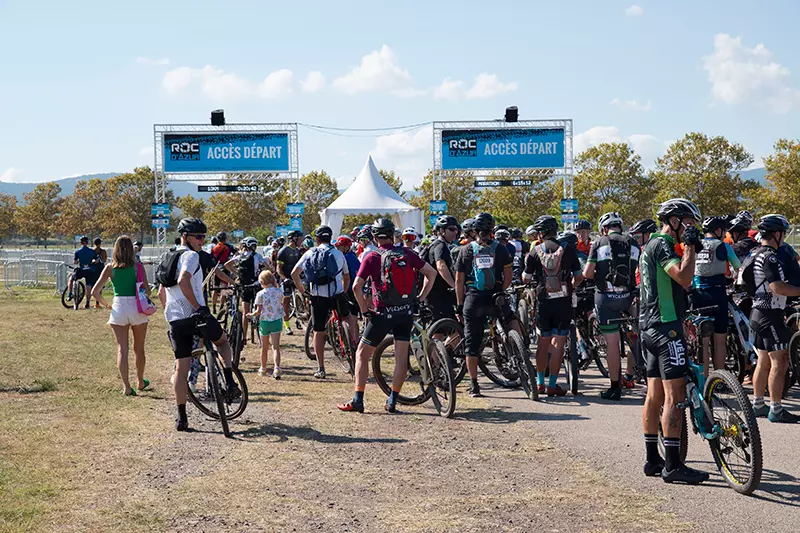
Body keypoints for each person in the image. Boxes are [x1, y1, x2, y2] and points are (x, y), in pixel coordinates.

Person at [639, 198, 709, 484]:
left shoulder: (651, 245)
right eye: (688, 223)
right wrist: (690, 248)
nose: (691, 228)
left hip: (649, 326)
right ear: (675, 220)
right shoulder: (663, 244)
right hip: (666, 328)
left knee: (654, 394)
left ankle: (652, 459)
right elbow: (684, 277)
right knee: (675, 397)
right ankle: (673, 465)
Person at [337, 218, 436, 412]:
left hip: (382, 313)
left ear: (374, 236)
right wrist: (420, 297)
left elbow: (357, 286)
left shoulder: (372, 256)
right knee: (400, 358)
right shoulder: (407, 253)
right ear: (393, 235)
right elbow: (431, 273)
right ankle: (392, 400)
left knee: (362, 355)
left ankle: (358, 399)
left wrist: (365, 310)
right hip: (405, 311)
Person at [159, 218, 240, 432]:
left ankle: (181, 417)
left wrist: (170, 312)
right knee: (223, 341)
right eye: (197, 236)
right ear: (185, 236)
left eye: (204, 236)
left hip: (175, 318)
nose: (202, 241)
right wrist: (197, 306)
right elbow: (184, 281)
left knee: (181, 367)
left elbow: (161, 292)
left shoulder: (168, 256)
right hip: (195, 314)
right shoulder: (191, 256)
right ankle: (230, 382)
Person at [455, 213, 515, 398]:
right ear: (491, 231)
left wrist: (459, 305)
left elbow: (459, 280)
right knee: (512, 320)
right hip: (495, 297)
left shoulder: (464, 251)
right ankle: (518, 350)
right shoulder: (501, 249)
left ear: (474, 231)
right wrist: (500, 288)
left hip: (473, 299)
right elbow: (509, 277)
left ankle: (474, 385)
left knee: (472, 344)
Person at [523, 215, 584, 396]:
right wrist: (570, 286)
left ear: (541, 233)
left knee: (543, 342)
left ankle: (540, 383)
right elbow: (579, 276)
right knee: (559, 342)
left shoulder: (534, 252)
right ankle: (552, 385)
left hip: (543, 301)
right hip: (563, 300)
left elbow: (526, 279)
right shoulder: (568, 249)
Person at [583, 212, 640, 399]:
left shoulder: (599, 243)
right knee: (637, 335)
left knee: (613, 344)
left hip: (606, 299)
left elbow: (587, 273)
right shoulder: (633, 242)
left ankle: (615, 388)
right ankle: (634, 373)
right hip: (629, 298)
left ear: (604, 229)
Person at [749, 214, 800, 423]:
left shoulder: (756, 252)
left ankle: (758, 404)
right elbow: (777, 287)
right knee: (780, 359)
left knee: (763, 360)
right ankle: (776, 409)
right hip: (769, 314)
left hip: (757, 313)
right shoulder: (769, 256)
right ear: (776, 234)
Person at [91, 235, 150, 396]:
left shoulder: (110, 268)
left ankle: (126, 386)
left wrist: (106, 304)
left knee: (122, 349)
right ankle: (140, 380)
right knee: (139, 348)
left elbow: (95, 292)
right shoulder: (138, 267)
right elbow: (148, 291)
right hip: (136, 307)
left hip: (118, 307)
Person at [292, 225, 351, 379]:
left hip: (317, 296)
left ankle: (321, 368)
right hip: (336, 294)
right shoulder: (338, 253)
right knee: (347, 318)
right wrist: (343, 291)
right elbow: (346, 276)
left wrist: (304, 291)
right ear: (330, 238)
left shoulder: (310, 253)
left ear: (317, 239)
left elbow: (294, 274)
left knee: (318, 331)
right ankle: (352, 349)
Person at [689, 216, 741, 374]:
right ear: (718, 230)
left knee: (703, 341)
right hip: (718, 292)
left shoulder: (694, 245)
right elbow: (738, 267)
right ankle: (719, 376)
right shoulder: (724, 246)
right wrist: (732, 281)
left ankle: (704, 378)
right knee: (720, 340)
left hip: (698, 293)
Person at [224, 237, 268, 344]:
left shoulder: (239, 256)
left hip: (244, 287)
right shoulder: (257, 256)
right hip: (255, 286)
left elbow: (227, 265)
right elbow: (268, 267)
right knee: (260, 309)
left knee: (245, 312)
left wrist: (236, 273)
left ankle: (244, 337)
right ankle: (261, 336)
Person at [422, 216, 460, 323]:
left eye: (456, 229)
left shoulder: (436, 245)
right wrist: (456, 286)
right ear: (442, 231)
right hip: (438, 294)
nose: (455, 232)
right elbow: (441, 266)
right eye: (452, 229)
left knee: (441, 331)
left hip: (434, 294)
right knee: (454, 330)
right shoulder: (441, 246)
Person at [248, 270, 284, 379]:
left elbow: (258, 311)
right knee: (276, 347)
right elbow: (281, 301)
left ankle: (263, 367)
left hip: (264, 322)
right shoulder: (278, 292)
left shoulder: (260, 294)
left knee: (264, 347)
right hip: (276, 320)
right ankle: (276, 368)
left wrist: (252, 315)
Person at [334, 235, 361, 346]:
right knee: (353, 318)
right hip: (353, 289)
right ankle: (354, 340)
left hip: (349, 291)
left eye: (340, 247)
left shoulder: (347, 258)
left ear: (346, 247)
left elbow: (350, 276)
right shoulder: (352, 257)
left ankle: (353, 342)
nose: (338, 249)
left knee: (351, 318)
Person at [275, 230, 303, 335]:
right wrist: (284, 278)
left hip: (296, 278)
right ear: (294, 239)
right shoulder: (283, 251)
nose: (301, 241)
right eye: (300, 239)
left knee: (304, 295)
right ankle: (287, 326)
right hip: (286, 278)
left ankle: (300, 318)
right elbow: (278, 268)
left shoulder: (297, 251)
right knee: (286, 302)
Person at [69, 236, 99, 309]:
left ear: (81, 243)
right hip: (89, 270)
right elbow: (96, 261)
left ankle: (69, 294)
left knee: (71, 279)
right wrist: (93, 262)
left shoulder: (78, 251)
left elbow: (75, 262)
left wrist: (79, 261)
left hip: (81, 270)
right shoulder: (92, 251)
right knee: (88, 286)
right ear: (87, 242)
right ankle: (87, 303)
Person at [211, 232, 235, 310]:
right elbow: (237, 253)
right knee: (224, 289)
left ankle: (214, 307)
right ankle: (221, 307)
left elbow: (211, 258)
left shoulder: (214, 247)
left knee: (215, 288)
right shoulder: (229, 246)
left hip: (216, 269)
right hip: (225, 269)